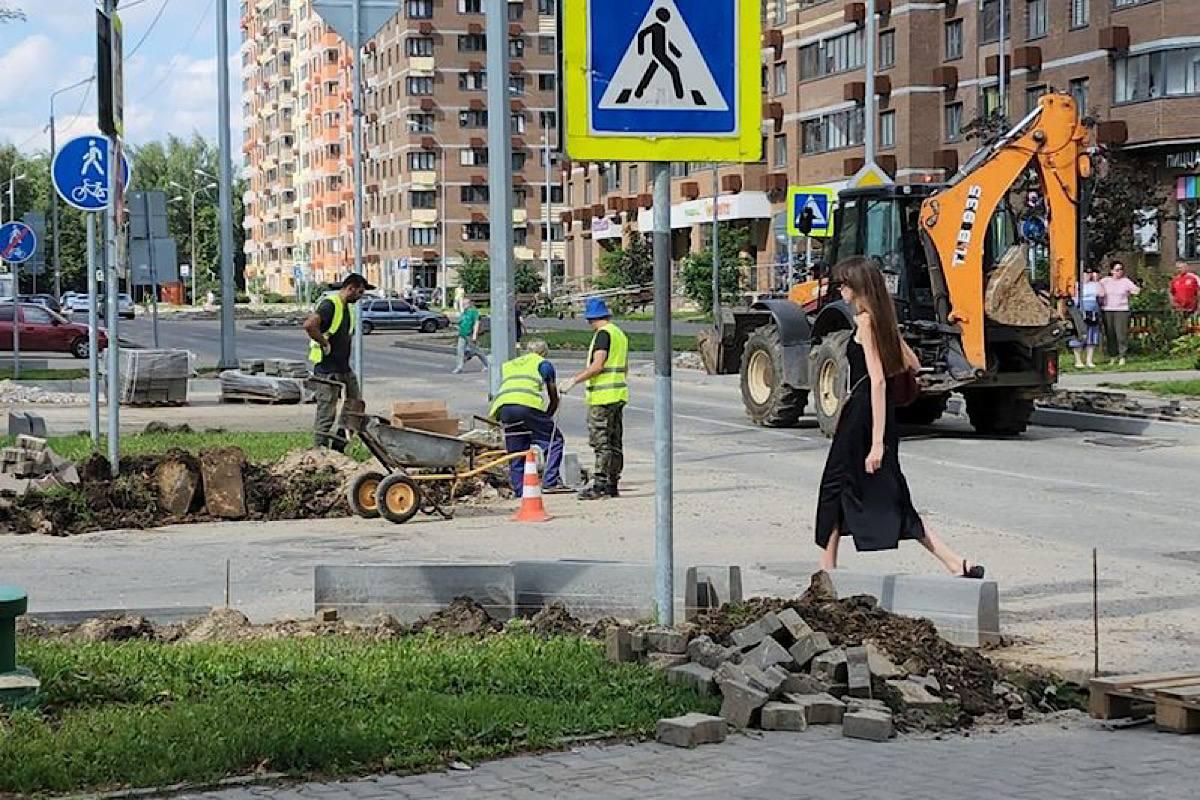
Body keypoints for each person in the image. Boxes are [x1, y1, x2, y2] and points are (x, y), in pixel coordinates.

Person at [815, 257, 984, 579]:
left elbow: (877, 381)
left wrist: (876, 444)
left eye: (844, 284)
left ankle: (827, 575)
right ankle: (954, 563)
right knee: (875, 492)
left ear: (858, 287)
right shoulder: (883, 320)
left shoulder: (866, 323)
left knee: (837, 488)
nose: (841, 289)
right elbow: (914, 363)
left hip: (862, 417)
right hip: (879, 416)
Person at [561, 298, 628, 500]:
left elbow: (597, 366)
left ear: (590, 319)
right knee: (615, 442)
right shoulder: (619, 334)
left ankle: (600, 485)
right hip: (618, 395)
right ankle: (612, 484)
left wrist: (574, 380)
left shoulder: (603, 335)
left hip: (602, 397)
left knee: (601, 442)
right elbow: (625, 367)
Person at [304, 273, 373, 450]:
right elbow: (310, 325)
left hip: (343, 368)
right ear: (350, 288)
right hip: (327, 370)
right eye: (359, 292)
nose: (360, 297)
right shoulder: (330, 304)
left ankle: (339, 446)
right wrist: (323, 342)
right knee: (327, 412)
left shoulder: (348, 308)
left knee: (355, 404)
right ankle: (320, 451)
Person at [489, 339, 566, 495]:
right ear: (544, 353)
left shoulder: (511, 364)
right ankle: (550, 482)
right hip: (526, 406)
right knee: (554, 440)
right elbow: (553, 397)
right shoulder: (543, 364)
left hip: (504, 408)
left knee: (516, 449)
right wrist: (547, 417)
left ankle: (520, 490)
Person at [1099, 261, 1140, 365]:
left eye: (1121, 269)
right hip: (1107, 309)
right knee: (1110, 333)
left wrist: (1136, 289)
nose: (1119, 272)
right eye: (1117, 270)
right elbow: (1098, 291)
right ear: (1112, 271)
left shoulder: (1125, 281)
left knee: (1121, 334)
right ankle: (1113, 355)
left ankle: (1122, 355)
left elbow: (1135, 290)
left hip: (1121, 310)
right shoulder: (1105, 281)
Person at [1072, 267, 1103, 369]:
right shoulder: (1076, 285)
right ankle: (1078, 360)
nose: (1087, 276)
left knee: (1091, 336)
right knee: (1079, 335)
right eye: (1085, 273)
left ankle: (1089, 360)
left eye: (1089, 274)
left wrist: (1096, 281)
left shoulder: (1095, 285)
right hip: (1080, 311)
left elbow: (1102, 294)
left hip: (1092, 311)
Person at [453, 297, 489, 374]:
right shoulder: (464, 312)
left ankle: (487, 365)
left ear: (469, 304)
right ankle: (459, 367)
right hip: (462, 335)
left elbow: (476, 323)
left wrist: (475, 335)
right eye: (462, 304)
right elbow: (461, 322)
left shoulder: (474, 312)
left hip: (470, 334)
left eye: (464, 304)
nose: (463, 305)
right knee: (460, 350)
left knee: (477, 351)